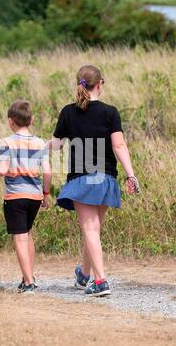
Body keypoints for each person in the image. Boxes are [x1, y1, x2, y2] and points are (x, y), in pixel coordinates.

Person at [50, 65, 139, 298]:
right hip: (106, 179)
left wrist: (34, 148)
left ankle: (100, 281)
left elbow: (57, 145)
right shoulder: (111, 112)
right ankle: (83, 274)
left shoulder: (68, 112)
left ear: (79, 85)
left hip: (82, 179)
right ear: (100, 84)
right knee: (94, 230)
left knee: (90, 230)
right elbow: (119, 145)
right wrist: (131, 174)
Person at [0, 99, 52, 292]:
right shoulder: (40, 143)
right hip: (35, 197)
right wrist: (45, 193)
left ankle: (29, 282)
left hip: (15, 197)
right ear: (32, 120)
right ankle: (27, 276)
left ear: (10, 121)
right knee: (27, 235)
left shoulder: (6, 143)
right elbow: (47, 172)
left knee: (20, 238)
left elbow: (2, 169)